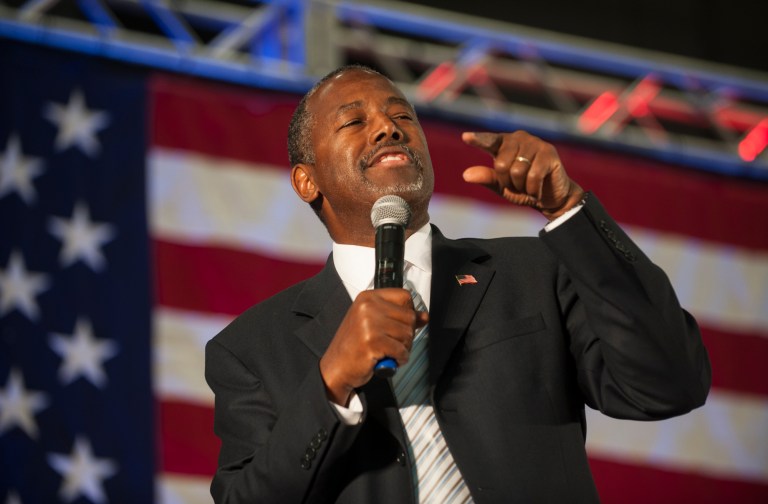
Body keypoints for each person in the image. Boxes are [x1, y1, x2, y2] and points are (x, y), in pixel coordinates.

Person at [204, 65, 711, 503]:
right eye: (355, 122)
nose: (388, 128)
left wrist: (569, 209)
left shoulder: (533, 271)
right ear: (306, 181)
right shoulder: (249, 350)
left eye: (402, 117)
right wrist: (331, 382)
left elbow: (670, 385)